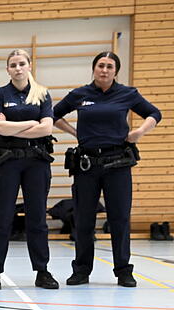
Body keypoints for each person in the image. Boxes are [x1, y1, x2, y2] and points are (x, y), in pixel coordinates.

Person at [54, 52, 161, 287]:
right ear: (94, 69)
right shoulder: (80, 95)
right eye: (100, 65)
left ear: (116, 71)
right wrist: (74, 132)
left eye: (109, 66)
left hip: (118, 165)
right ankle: (81, 270)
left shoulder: (127, 94)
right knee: (83, 220)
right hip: (87, 165)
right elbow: (53, 115)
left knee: (119, 219)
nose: (104, 70)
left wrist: (139, 132)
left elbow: (155, 113)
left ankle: (123, 271)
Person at [0, 49, 59, 291]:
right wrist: (30, 123)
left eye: (21, 63)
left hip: (36, 162)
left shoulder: (42, 94)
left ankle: (42, 271)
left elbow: (47, 129)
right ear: (8, 69)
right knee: (1, 219)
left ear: (29, 66)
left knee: (37, 219)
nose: (17, 68)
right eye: (13, 64)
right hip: (7, 162)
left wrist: (11, 126)